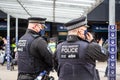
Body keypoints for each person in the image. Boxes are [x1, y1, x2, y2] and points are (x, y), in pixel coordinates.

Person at [54, 16, 109, 80]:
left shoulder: (59, 47)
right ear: (80, 31)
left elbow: (56, 67)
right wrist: (92, 41)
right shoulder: (89, 46)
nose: (86, 33)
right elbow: (105, 56)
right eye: (85, 31)